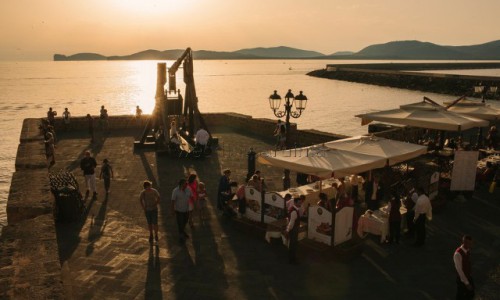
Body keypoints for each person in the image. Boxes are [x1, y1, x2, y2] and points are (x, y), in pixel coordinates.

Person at [453, 235, 475, 299]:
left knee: (471, 293)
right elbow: (459, 270)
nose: (470, 245)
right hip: (461, 279)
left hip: (467, 276)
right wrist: (467, 283)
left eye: (471, 243)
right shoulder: (458, 254)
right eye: (469, 243)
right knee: (460, 296)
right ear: (464, 242)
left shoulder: (467, 250)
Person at [285, 197, 301, 264]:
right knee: (293, 245)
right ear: (295, 202)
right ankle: (292, 260)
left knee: (292, 244)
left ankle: (292, 259)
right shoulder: (294, 211)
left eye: (300, 202)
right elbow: (291, 222)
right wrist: (288, 230)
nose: (300, 204)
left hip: (293, 228)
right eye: (299, 202)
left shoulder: (293, 209)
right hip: (294, 229)